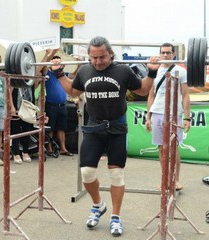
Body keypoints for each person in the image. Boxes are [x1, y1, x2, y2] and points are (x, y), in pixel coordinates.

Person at [50, 36, 158, 237]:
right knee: (87, 174)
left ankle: (115, 217)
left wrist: (151, 71)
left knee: (116, 174)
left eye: (102, 57)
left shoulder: (123, 71)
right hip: (94, 129)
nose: (98, 61)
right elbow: (73, 91)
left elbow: (143, 89)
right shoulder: (84, 71)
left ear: (110, 54)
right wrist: (58, 73)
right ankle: (98, 205)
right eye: (94, 57)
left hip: (117, 129)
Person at [145, 42, 191, 191]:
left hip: (174, 113)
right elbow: (151, 95)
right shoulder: (155, 71)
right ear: (160, 54)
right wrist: (148, 116)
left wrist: (187, 118)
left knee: (173, 148)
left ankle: (176, 180)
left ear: (173, 54)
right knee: (161, 148)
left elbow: (185, 95)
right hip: (157, 112)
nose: (165, 55)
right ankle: (165, 179)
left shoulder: (180, 71)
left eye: (168, 52)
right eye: (163, 52)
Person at [38, 53, 76, 157]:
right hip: (51, 105)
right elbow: (44, 67)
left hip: (62, 106)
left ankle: (63, 148)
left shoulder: (64, 75)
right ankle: (49, 148)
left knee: (61, 128)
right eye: (57, 63)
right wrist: (50, 55)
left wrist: (79, 63)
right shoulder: (48, 74)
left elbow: (75, 75)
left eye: (60, 63)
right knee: (50, 128)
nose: (59, 64)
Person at [10, 86, 33, 164]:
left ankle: (25, 151)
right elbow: (9, 92)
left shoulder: (29, 81)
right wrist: (12, 107)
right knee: (16, 130)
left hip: (27, 108)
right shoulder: (15, 80)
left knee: (27, 129)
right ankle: (16, 153)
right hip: (17, 107)